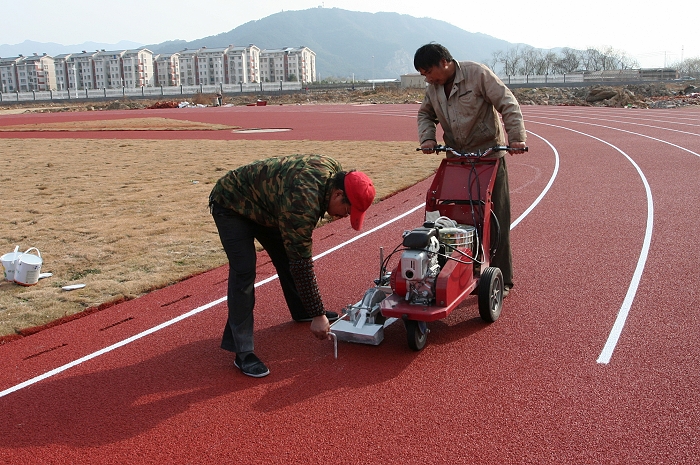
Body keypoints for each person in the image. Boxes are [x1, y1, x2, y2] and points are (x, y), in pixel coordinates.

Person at [209, 155, 376, 377]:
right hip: (232, 203)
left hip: (269, 207)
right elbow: (302, 264)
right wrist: (319, 315)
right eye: (347, 210)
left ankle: (301, 310)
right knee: (244, 271)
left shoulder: (333, 172)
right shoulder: (302, 205)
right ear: (337, 194)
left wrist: (313, 311)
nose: (345, 217)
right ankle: (243, 352)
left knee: (286, 255)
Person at [414, 43, 527, 298]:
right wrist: (428, 139)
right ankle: (462, 270)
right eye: (423, 74)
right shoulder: (433, 89)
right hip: (458, 158)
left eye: (428, 71)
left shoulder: (477, 74)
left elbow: (507, 102)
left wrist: (517, 138)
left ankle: (502, 278)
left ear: (444, 62)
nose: (427, 78)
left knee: (495, 217)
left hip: (489, 156)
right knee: (457, 217)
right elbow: (425, 115)